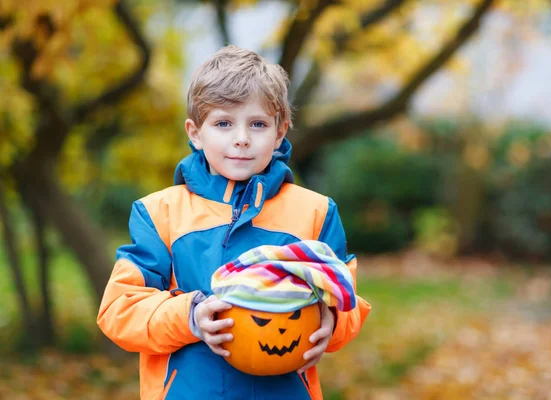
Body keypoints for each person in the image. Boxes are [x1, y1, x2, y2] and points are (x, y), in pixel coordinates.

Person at [97, 45, 371, 400]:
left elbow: (345, 295)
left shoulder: (315, 213)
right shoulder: (159, 213)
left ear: (279, 132)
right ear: (195, 132)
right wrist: (190, 316)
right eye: (223, 123)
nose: (241, 138)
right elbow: (120, 309)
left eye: (257, 124)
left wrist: (331, 323)